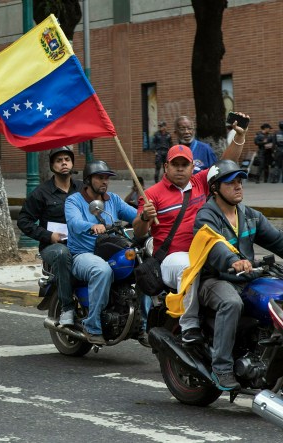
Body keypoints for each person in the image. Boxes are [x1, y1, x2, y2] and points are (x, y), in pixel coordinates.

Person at [133, 116, 247, 345]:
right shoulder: (152, 194)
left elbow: (225, 166)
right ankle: (189, 326)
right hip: (173, 258)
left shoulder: (199, 182)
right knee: (189, 268)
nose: (180, 169)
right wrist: (145, 216)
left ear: (192, 166)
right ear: (166, 167)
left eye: (184, 165)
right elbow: (138, 231)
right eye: (175, 165)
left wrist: (239, 137)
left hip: (205, 251)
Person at [189, 159, 283, 390]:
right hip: (215, 279)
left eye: (240, 181)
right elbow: (214, 247)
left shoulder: (250, 216)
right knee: (231, 303)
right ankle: (221, 367)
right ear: (215, 188)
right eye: (231, 182)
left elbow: (278, 240)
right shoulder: (206, 217)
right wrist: (234, 261)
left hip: (249, 276)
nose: (238, 186)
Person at [65, 160, 147, 344]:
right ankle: (92, 325)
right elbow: (74, 222)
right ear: (88, 180)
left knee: (145, 268)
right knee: (102, 270)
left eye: (106, 178)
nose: (104, 182)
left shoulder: (113, 200)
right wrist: (92, 226)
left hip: (110, 251)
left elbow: (135, 216)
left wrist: (146, 216)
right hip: (83, 254)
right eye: (99, 178)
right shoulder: (74, 200)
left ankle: (142, 324)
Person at [17, 146, 83, 326]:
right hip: (53, 247)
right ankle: (67, 309)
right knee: (62, 253)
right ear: (53, 166)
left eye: (67, 159)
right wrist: (48, 235)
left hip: (82, 243)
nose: (64, 163)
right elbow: (24, 221)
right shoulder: (41, 192)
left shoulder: (83, 188)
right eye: (59, 160)